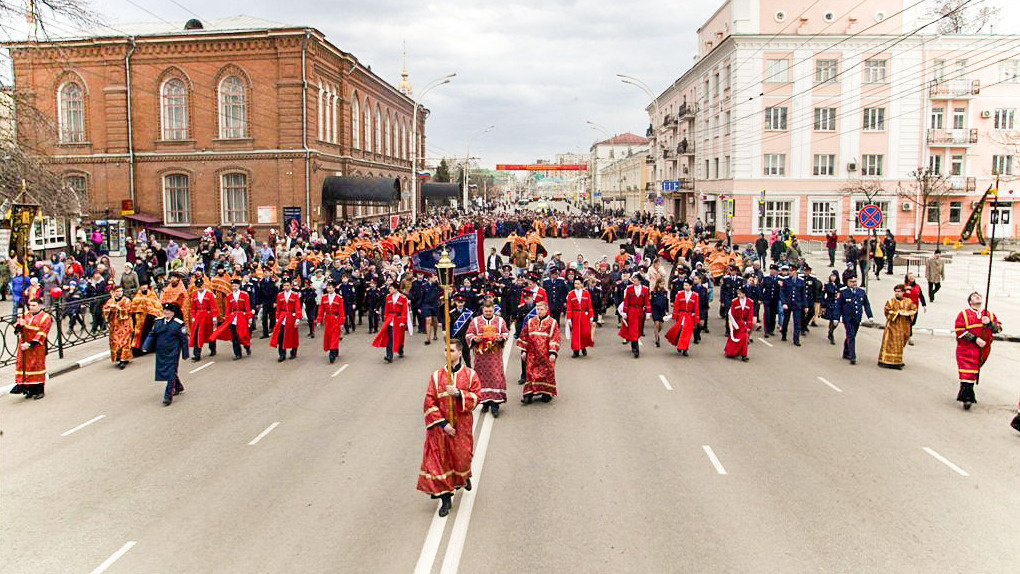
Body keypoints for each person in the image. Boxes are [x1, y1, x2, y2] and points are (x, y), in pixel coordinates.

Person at [416, 339, 482, 517]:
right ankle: (445, 499)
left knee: (461, 459)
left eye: (451, 350)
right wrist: (443, 424)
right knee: (440, 464)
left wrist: (460, 394)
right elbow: (429, 402)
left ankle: (463, 476)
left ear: (460, 353)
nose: (448, 353)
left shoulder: (470, 375)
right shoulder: (436, 376)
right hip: (440, 429)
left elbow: (477, 398)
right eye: (446, 350)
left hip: (462, 427)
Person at [953, 292, 1001, 410]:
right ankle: (967, 397)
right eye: (974, 296)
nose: (977, 296)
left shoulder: (989, 314)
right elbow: (959, 330)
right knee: (967, 372)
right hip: (966, 349)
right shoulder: (964, 314)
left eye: (979, 295)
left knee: (972, 373)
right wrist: (975, 339)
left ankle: (965, 393)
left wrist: (989, 323)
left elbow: (998, 329)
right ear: (970, 301)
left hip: (982, 350)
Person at [465, 301, 511, 417]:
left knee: (495, 377)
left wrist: (501, 339)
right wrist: (475, 339)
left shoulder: (500, 321)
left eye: (490, 311)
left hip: (495, 357)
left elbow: (506, 333)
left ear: (494, 310)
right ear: (482, 310)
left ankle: (495, 404)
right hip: (481, 357)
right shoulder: (475, 321)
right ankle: (485, 402)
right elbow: (468, 334)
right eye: (486, 311)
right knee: (481, 378)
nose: (489, 313)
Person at [143, 303, 190, 406]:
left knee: (171, 371)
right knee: (168, 371)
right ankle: (178, 386)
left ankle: (168, 396)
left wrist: (185, 353)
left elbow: (184, 340)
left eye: (168, 311)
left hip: (173, 352)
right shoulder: (158, 322)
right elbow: (152, 335)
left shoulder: (178, 324)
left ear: (173, 313)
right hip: (161, 352)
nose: (166, 312)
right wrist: (146, 346)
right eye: (164, 310)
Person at [516, 300, 560, 403]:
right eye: (537, 309)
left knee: (546, 374)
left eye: (541, 309)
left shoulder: (552, 323)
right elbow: (524, 336)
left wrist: (553, 353)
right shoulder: (530, 322)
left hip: (546, 354)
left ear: (546, 310)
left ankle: (546, 393)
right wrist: (524, 351)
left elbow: (555, 338)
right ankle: (528, 394)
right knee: (530, 373)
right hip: (532, 354)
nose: (539, 311)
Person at [9, 299, 53, 399]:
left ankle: (39, 390)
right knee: (23, 365)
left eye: (34, 305)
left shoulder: (46, 317)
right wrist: (19, 326)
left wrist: (30, 344)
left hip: (36, 346)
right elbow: (17, 329)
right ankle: (28, 389)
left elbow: (42, 332)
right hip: (23, 345)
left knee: (36, 366)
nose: (31, 307)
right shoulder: (25, 314)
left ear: (40, 305)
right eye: (30, 305)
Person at [210, 279, 252, 360]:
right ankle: (237, 353)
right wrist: (226, 317)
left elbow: (247, 307)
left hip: (242, 317)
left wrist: (249, 317)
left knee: (243, 335)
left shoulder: (244, 295)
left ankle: (247, 346)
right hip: (233, 317)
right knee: (234, 337)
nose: (234, 287)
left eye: (235, 286)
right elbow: (228, 308)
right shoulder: (229, 296)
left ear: (239, 286)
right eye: (233, 286)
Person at [835, 275, 872, 364]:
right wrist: (836, 318)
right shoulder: (843, 292)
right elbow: (838, 306)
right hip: (847, 318)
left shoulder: (861, 292)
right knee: (851, 335)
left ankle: (846, 351)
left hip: (857, 318)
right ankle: (852, 356)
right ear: (847, 283)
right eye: (852, 282)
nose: (854, 283)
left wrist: (870, 316)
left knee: (852, 335)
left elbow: (866, 304)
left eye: (855, 281)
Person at [878, 284, 916, 369]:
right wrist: (897, 313)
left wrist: (908, 314)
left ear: (903, 292)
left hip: (903, 326)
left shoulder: (908, 301)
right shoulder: (890, 301)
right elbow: (887, 312)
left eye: (899, 291)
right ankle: (885, 360)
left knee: (899, 344)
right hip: (892, 326)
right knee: (890, 344)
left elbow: (913, 309)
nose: (897, 293)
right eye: (896, 291)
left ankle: (897, 361)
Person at [372, 282, 410, 363]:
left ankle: (400, 349)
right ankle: (389, 355)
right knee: (390, 337)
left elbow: (404, 311)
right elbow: (386, 309)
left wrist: (403, 321)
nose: (389, 290)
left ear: (396, 289)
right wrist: (385, 319)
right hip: (390, 319)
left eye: (391, 288)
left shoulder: (403, 298)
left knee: (399, 337)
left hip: (398, 319)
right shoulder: (388, 297)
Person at [618, 273, 650, 358]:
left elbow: (647, 301)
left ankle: (633, 343)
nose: (634, 281)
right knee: (633, 328)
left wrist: (648, 313)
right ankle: (636, 349)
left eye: (635, 279)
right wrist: (624, 312)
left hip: (640, 311)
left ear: (640, 280)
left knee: (639, 329)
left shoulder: (645, 289)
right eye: (633, 279)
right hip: (632, 310)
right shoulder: (629, 288)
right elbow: (626, 301)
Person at [103, 285, 135, 369]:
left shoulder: (126, 300)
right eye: (117, 291)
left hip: (124, 325)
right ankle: (118, 357)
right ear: (114, 292)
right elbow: (105, 309)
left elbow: (129, 311)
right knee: (116, 342)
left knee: (124, 342)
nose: (119, 293)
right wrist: (110, 310)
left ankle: (123, 360)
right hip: (114, 326)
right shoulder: (110, 301)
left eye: (121, 291)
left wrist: (119, 309)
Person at [665, 278, 698, 356]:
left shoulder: (695, 295)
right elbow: (676, 306)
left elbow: (696, 307)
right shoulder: (679, 294)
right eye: (684, 285)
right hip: (681, 315)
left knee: (687, 333)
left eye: (686, 285)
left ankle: (685, 349)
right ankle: (679, 344)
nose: (684, 287)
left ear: (690, 286)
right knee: (679, 331)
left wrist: (696, 318)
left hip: (689, 316)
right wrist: (674, 315)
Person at [271, 278, 302, 362]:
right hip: (282, 317)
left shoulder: (295, 295)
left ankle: (293, 351)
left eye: (287, 285)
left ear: (291, 285)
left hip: (291, 317)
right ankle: (282, 354)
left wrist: (297, 319)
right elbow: (278, 308)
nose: (286, 287)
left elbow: (298, 307)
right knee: (281, 336)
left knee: (292, 335)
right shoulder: (280, 295)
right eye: (284, 285)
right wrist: (277, 318)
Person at [189, 278, 219, 361]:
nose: (200, 289)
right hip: (198, 317)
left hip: (207, 316)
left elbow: (213, 306)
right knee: (197, 334)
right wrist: (193, 317)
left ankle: (212, 348)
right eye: (198, 287)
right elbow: (192, 308)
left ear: (204, 285)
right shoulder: (194, 295)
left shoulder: (209, 294)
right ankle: (197, 354)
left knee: (210, 334)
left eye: (201, 287)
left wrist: (214, 317)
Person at [564, 278, 594, 358]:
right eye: (575, 284)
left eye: (578, 284)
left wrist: (591, 316)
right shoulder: (571, 294)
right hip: (575, 315)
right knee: (575, 333)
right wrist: (569, 318)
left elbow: (589, 305)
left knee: (584, 332)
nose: (576, 285)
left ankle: (583, 347)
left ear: (581, 284)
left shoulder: (586, 293)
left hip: (584, 315)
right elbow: (569, 307)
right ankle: (575, 350)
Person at [316, 282, 345, 363]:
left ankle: (332, 353)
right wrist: (319, 320)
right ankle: (334, 349)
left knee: (335, 335)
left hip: (336, 318)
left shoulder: (339, 298)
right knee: (329, 335)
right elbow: (321, 310)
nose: (329, 289)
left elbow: (341, 310)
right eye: (328, 288)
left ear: (334, 288)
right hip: (328, 319)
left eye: (330, 288)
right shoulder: (324, 297)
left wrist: (342, 322)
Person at [130, 282, 163, 355]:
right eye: (142, 285)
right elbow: (133, 306)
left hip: (150, 317)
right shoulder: (137, 295)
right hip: (140, 318)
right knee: (139, 334)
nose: (144, 287)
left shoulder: (152, 294)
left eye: (145, 285)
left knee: (151, 332)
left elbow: (157, 305)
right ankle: (139, 350)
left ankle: (151, 347)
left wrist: (153, 312)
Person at [724, 286, 753, 362]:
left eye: (740, 294)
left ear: (744, 294)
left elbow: (750, 314)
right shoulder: (734, 301)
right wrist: (733, 325)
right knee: (734, 338)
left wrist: (749, 325)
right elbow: (732, 314)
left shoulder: (750, 302)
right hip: (736, 323)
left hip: (744, 324)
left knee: (745, 338)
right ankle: (731, 352)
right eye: (738, 294)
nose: (738, 295)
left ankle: (744, 354)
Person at [779, 265, 804, 346]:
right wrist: (784, 303)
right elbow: (782, 292)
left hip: (797, 304)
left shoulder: (801, 281)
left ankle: (796, 339)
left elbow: (803, 294)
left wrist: (805, 305)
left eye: (792, 271)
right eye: (789, 271)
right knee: (786, 320)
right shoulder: (786, 280)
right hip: (788, 304)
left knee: (797, 322)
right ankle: (784, 333)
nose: (790, 272)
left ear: (795, 272)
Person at [821, 271, 843, 345]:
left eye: (834, 276)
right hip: (829, 304)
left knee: (836, 322)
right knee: (832, 320)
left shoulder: (841, 286)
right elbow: (823, 296)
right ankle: (831, 334)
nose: (833, 277)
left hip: (838, 305)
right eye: (831, 276)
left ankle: (831, 331)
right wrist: (823, 305)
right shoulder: (827, 285)